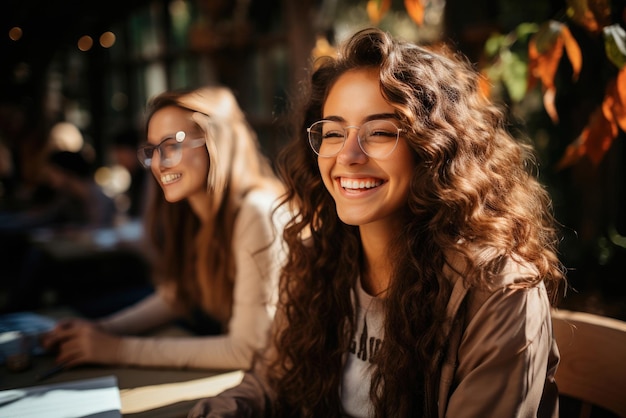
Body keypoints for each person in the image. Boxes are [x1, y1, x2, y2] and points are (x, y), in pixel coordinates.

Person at [187, 27, 566, 417]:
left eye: (380, 132)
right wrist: (226, 408)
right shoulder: (322, 259)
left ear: (435, 148)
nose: (348, 155)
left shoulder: (500, 291)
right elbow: (272, 379)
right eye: (333, 132)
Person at [41, 86, 288, 370]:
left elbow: (247, 350)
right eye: (152, 149)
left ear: (216, 142)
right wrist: (101, 329)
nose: (158, 163)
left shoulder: (257, 213)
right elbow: (179, 295)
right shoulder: (193, 212)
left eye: (171, 145)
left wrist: (116, 349)